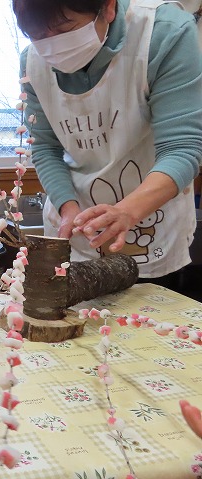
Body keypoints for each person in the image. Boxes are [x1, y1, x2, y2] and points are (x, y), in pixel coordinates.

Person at [12, 0, 202, 289]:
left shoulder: (163, 33)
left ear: (108, 7)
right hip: (77, 229)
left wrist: (127, 211)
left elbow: (182, 148)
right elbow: (45, 148)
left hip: (150, 223)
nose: (52, 47)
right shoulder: (32, 63)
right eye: (37, 36)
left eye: (65, 29)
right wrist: (67, 208)